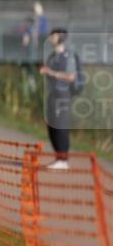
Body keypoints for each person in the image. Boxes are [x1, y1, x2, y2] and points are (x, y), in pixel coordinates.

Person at [40, 28, 77, 170]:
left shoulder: (68, 56)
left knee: (60, 126)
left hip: (62, 96)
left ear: (60, 37)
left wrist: (52, 73)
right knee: (51, 126)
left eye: (53, 35)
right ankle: (58, 157)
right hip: (52, 94)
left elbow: (71, 76)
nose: (51, 38)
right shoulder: (52, 56)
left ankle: (63, 159)